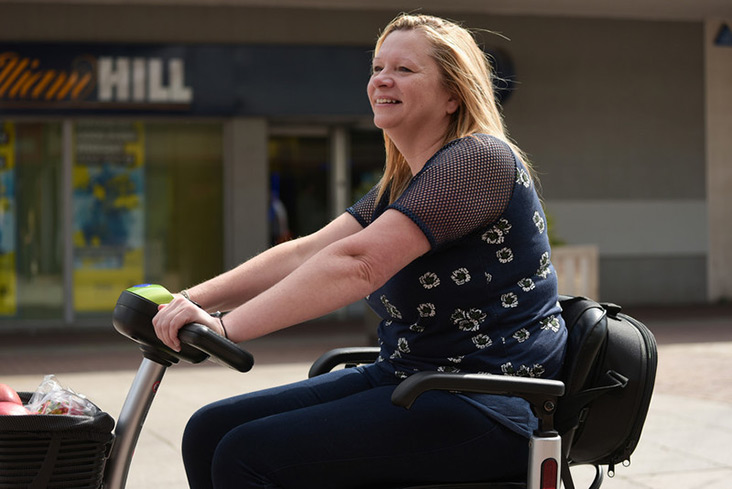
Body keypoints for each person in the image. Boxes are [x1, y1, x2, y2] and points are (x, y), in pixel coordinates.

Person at [152, 13, 567, 489]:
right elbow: (304, 252)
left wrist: (226, 328)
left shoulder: (477, 160)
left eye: (405, 70)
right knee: (208, 431)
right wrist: (186, 301)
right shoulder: (405, 182)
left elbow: (359, 263)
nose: (382, 80)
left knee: (246, 456)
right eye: (376, 68)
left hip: (483, 402)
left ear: (453, 95)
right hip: (412, 378)